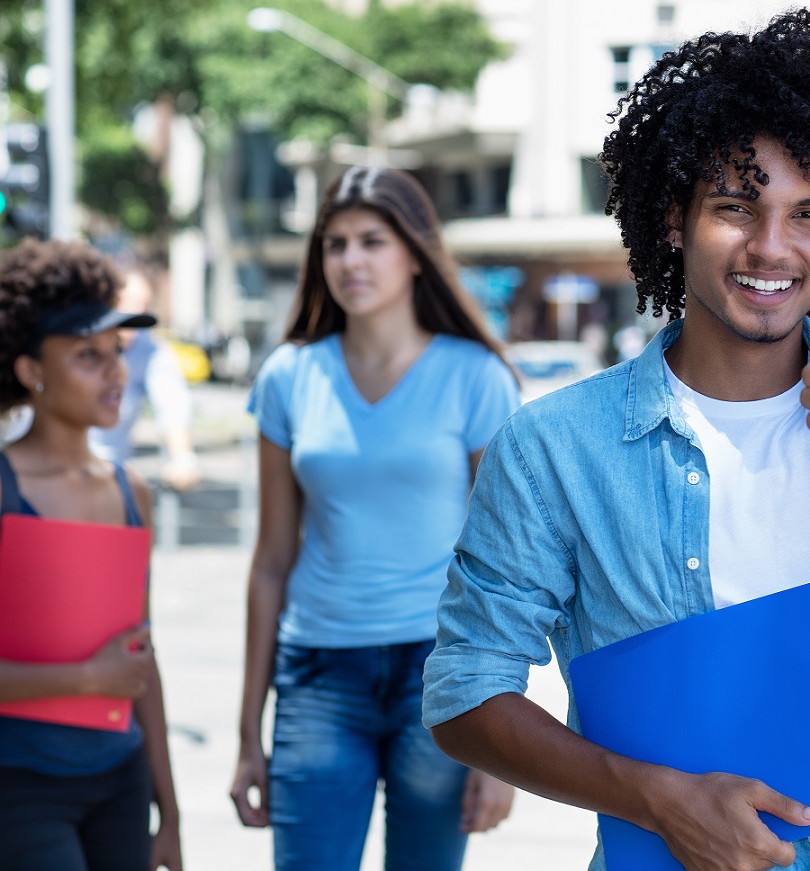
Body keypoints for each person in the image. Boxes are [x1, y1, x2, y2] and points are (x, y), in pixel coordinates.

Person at [423, 9, 810, 871]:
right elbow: (463, 694)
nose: (772, 247)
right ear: (675, 217)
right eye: (737, 208)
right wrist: (657, 799)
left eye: (809, 213)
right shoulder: (555, 447)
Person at [229, 167, 519, 871]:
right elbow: (271, 559)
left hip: (439, 679)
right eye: (334, 245)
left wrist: (504, 751)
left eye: (371, 242)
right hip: (319, 675)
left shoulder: (476, 376)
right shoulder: (289, 378)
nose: (351, 261)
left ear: (414, 252)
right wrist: (247, 737)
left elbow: (506, 569)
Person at [0, 239, 182, 870]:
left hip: (120, 782)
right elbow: (110, 673)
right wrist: (85, 679)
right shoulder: (2, 489)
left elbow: (141, 658)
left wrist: (172, 812)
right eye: (87, 356)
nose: (115, 374)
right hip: (18, 785)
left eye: (117, 353)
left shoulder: (130, 490)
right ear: (30, 371)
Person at [90, 267, 200, 491]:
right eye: (127, 301)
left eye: (144, 304)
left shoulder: (149, 350)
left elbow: (172, 402)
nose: (115, 371)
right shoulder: (72, 339)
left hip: (108, 475)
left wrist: (183, 457)